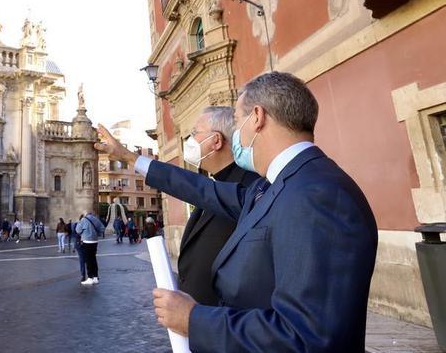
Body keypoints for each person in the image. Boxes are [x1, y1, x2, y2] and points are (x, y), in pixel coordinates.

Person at [96, 72, 378, 351]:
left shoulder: (317, 195)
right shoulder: (276, 186)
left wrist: (194, 319)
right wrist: (129, 158)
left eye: (235, 120)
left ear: (257, 117)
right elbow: (204, 190)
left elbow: (308, 337)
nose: (235, 134)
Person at [176, 106, 261, 305]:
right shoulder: (214, 183)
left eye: (195, 133)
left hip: (224, 320)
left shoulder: (249, 186)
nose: (189, 141)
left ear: (216, 140)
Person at [75, 210, 105, 285]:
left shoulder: (83, 219)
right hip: (95, 241)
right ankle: (95, 277)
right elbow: (102, 229)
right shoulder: (95, 219)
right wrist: (96, 234)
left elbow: (78, 230)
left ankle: (90, 278)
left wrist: (84, 232)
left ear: (85, 214)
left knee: (88, 260)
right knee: (93, 259)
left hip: (86, 241)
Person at [71, 216, 86, 281]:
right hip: (82, 243)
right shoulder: (81, 224)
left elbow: (74, 233)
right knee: (84, 259)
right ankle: (84, 274)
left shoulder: (76, 224)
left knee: (82, 260)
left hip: (80, 243)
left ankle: (84, 275)